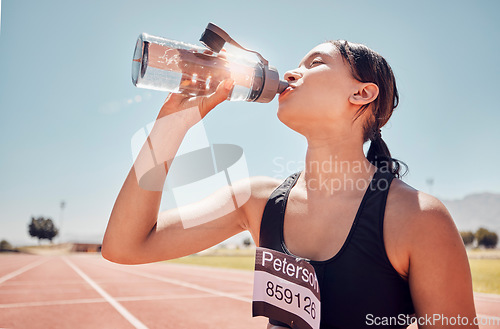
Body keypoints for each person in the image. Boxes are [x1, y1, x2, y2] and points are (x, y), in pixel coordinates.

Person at [102, 40, 479, 328]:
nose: (293, 73)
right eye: (296, 65)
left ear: (361, 93)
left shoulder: (417, 218)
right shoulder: (256, 201)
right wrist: (172, 123)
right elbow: (125, 246)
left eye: (314, 64)